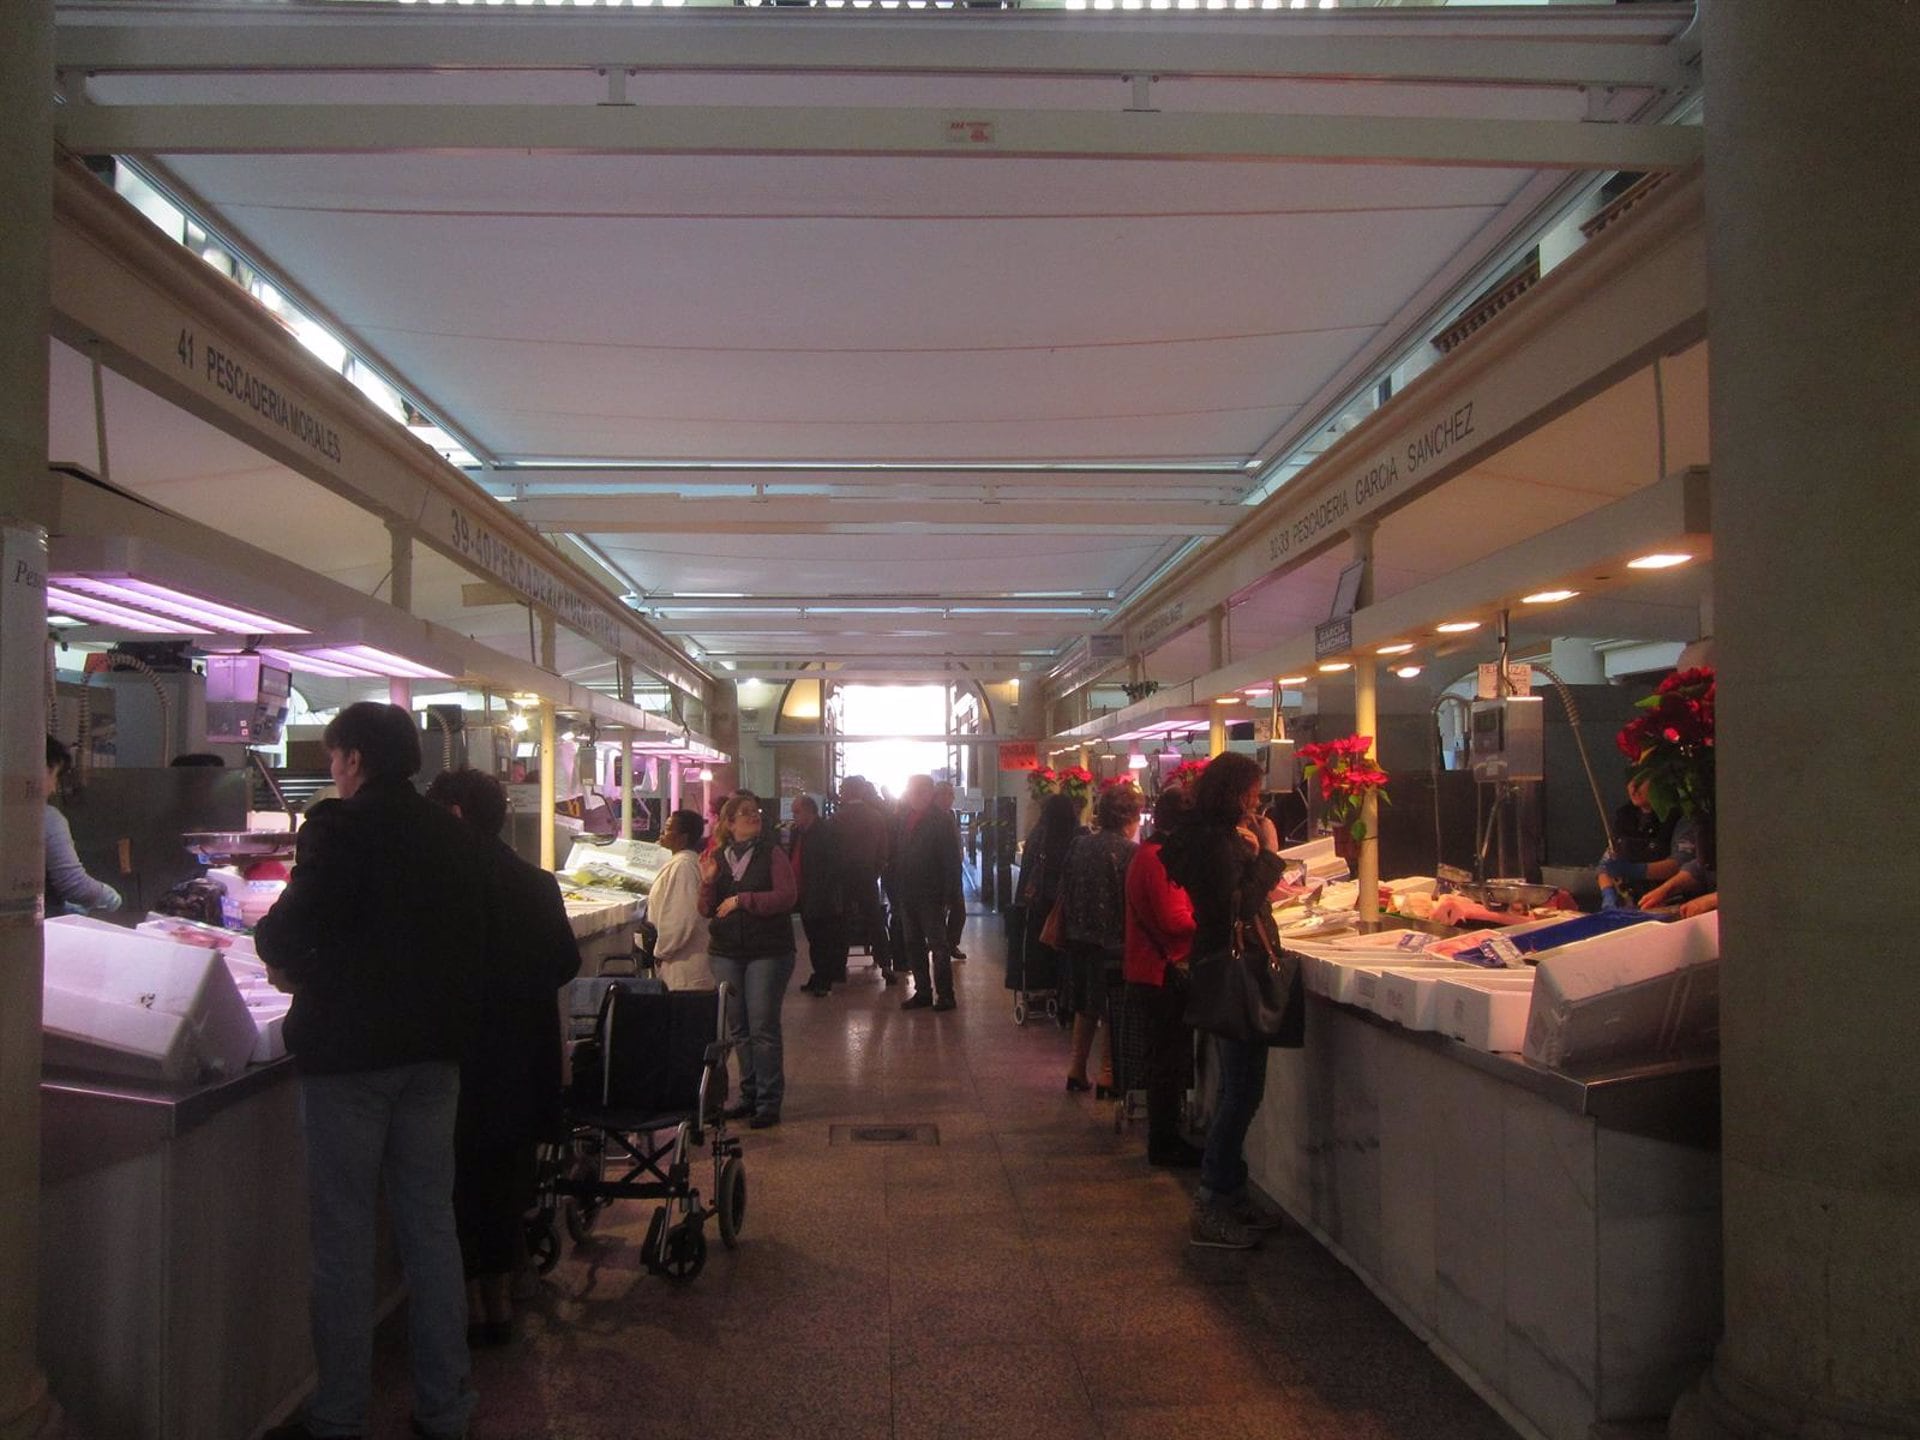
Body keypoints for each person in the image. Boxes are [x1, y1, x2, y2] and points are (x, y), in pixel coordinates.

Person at [256, 702, 487, 1440]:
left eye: (333, 758)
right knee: (430, 1228)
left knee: (345, 1242)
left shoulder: (339, 826)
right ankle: (446, 1405)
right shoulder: (448, 833)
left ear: (354, 758)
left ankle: (339, 1413)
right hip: (433, 1053)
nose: (333, 771)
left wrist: (290, 955)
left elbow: (288, 928)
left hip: (349, 1057)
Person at [422, 768, 580, 1349]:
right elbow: (564, 963)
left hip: (462, 1061)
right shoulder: (535, 883)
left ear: (456, 814)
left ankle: (473, 1305)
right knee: (506, 1180)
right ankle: (502, 1296)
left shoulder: (437, 887)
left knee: (459, 1185)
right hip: (523, 1059)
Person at [1160, 751, 1301, 1251]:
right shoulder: (1215, 843)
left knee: (1238, 1090)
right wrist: (1266, 852)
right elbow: (1234, 907)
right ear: (1236, 793)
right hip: (1234, 972)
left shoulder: (1202, 838)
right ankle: (1212, 1202)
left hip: (1220, 968)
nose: (1257, 802)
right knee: (1241, 1092)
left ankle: (1232, 1193)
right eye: (1253, 793)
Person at [699, 793, 798, 1129]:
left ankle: (769, 1102)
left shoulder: (772, 854)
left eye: (755, 812)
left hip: (768, 950)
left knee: (763, 1027)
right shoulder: (718, 857)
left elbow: (786, 898)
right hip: (726, 951)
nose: (753, 816)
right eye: (744, 813)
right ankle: (749, 1095)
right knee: (739, 1029)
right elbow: (706, 909)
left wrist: (744, 900)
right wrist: (708, 882)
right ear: (729, 823)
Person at [1123, 786, 1202, 1167]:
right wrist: (1208, 917)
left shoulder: (1146, 855)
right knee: (1167, 1061)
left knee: (1164, 1059)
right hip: (1159, 971)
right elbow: (1174, 921)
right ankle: (1164, 1142)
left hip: (1148, 967)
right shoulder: (1159, 860)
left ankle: (1165, 1138)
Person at [1057, 782, 1142, 1095]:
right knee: (1112, 1009)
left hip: (1079, 938)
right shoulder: (1130, 852)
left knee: (1086, 1004)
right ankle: (1108, 1073)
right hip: (1115, 943)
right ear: (1129, 818)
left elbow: (1064, 886)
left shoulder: (1079, 845)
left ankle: (1076, 1069)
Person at [892, 774, 965, 1013]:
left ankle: (945, 995)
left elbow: (951, 861)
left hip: (931, 894)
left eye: (915, 791)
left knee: (938, 945)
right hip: (909, 892)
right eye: (910, 790)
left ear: (926, 793)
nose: (911, 795)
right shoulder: (906, 818)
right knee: (913, 944)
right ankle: (923, 991)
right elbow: (900, 853)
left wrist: (949, 895)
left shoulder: (941, 821)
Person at [1011, 792, 1083, 1003]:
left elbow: (1027, 869)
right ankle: (1065, 991)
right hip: (1069, 903)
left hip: (1041, 902)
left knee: (1042, 946)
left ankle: (1043, 986)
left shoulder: (1038, 835)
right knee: (1066, 949)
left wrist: (1021, 901)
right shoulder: (1078, 836)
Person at [44, 736, 122, 915]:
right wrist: (109, 897)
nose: (54, 788)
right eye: (55, 776)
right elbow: (74, 885)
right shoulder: (46, 818)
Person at [832, 776, 898, 984]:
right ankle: (886, 965)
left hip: (842, 877)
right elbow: (883, 849)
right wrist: (876, 871)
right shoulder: (875, 817)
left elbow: (830, 851)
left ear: (846, 792)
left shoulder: (836, 819)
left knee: (841, 921)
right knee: (875, 921)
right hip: (868, 875)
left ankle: (838, 968)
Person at [789, 794, 849, 997]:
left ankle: (825, 977)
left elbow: (834, 864)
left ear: (808, 811)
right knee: (814, 938)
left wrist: (825, 890)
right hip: (804, 894)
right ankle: (819, 974)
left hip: (821, 895)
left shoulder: (826, 832)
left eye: (797, 812)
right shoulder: (798, 833)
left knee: (824, 939)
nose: (794, 816)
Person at [648, 808, 712, 989]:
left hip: (684, 967)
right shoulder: (682, 863)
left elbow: (681, 918)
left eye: (668, 829)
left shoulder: (683, 867)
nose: (663, 832)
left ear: (683, 837)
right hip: (678, 964)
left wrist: (661, 951)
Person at [932, 779, 969, 960]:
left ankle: (951, 943)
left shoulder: (952, 815)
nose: (952, 798)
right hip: (939, 872)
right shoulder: (932, 817)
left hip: (955, 869)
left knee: (959, 910)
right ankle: (939, 945)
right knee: (939, 910)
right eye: (949, 794)